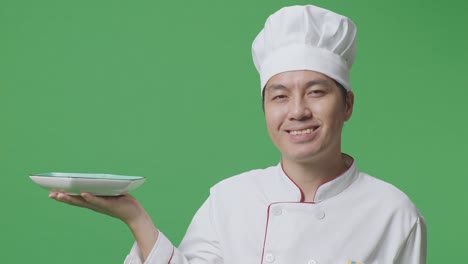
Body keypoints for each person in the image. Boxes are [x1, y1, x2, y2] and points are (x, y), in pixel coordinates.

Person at [49, 5, 427, 264]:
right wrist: (135, 218)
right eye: (280, 96)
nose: (297, 111)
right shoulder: (229, 199)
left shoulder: (394, 213)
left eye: (316, 92)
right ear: (265, 110)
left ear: (347, 105)